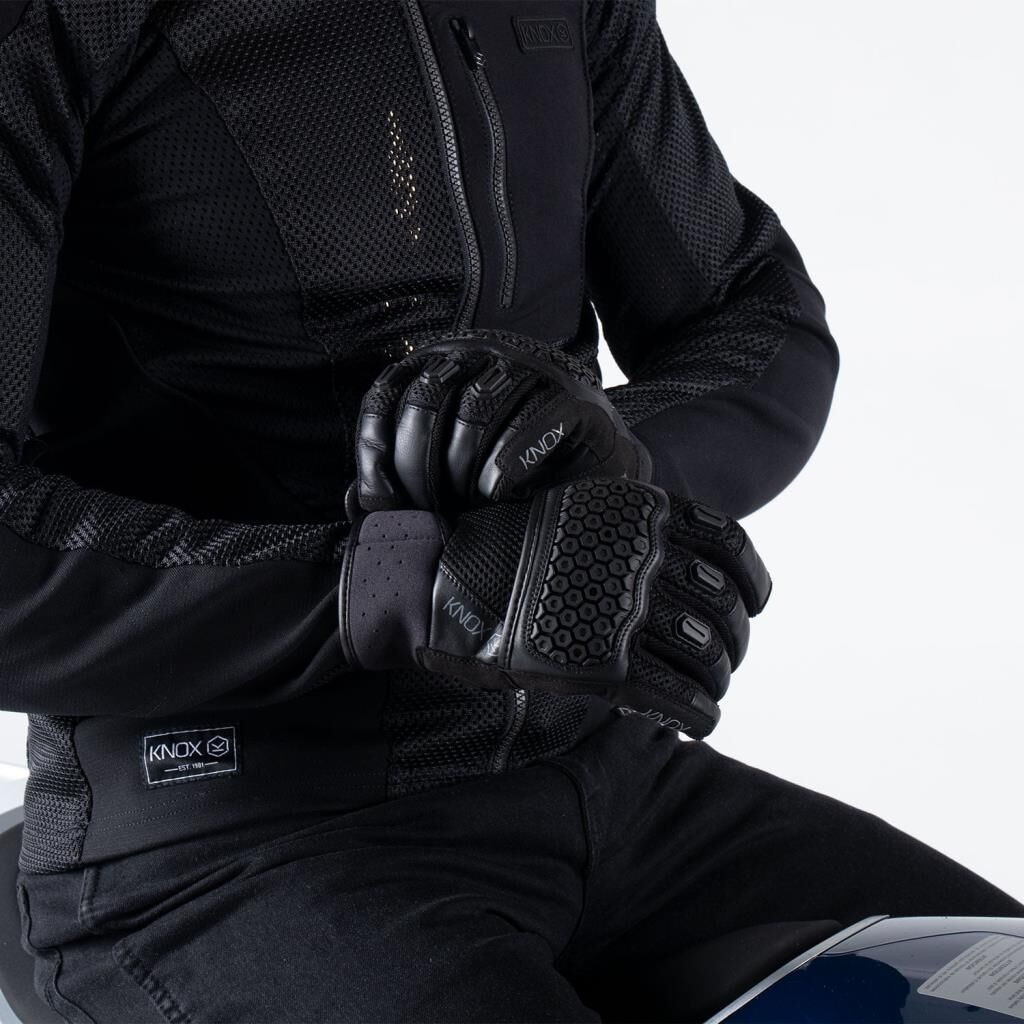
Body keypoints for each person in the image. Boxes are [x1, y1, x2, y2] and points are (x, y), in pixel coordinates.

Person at [1, 1, 1019, 1021]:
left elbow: (754, 313)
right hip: (227, 843)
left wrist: (602, 463)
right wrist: (403, 585)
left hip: (607, 777)